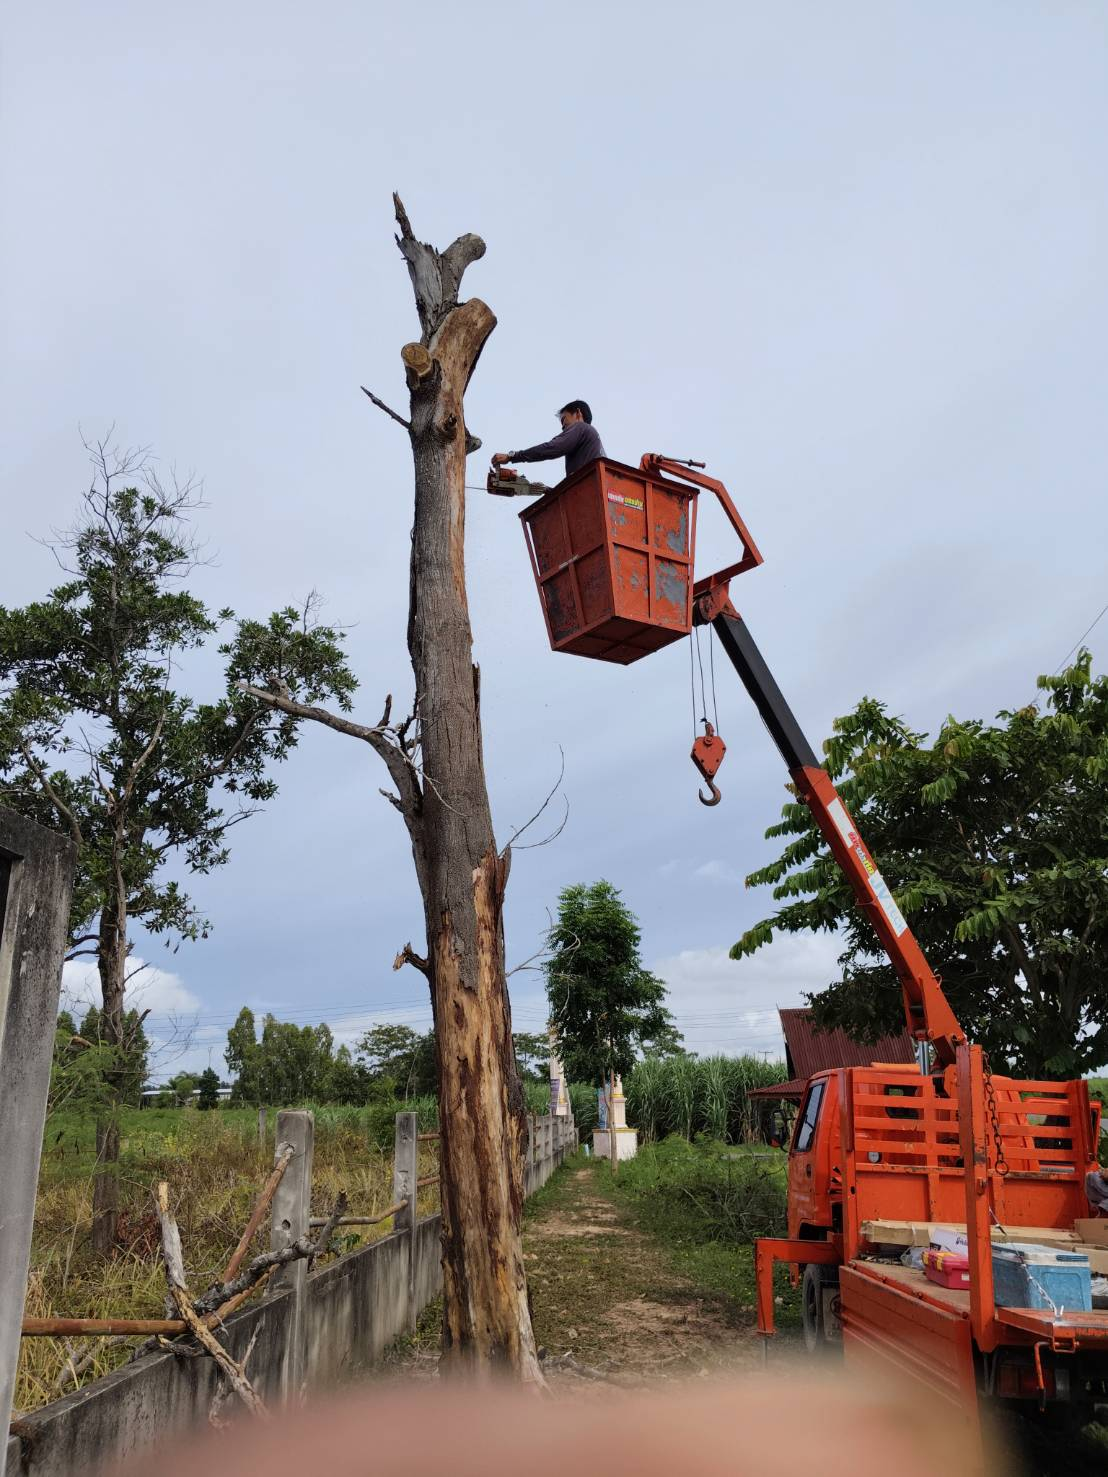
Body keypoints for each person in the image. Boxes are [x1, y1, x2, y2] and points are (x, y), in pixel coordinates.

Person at [492, 400, 606, 481]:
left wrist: (512, 456)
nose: (562, 427)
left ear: (578, 413)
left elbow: (552, 448)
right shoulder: (593, 442)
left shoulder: (581, 427)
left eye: (564, 420)